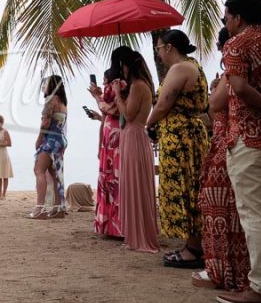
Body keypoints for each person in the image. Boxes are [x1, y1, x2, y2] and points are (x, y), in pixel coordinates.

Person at [217, 0, 261, 303]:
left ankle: (259, 287)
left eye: (225, 18)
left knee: (254, 213)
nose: (225, 24)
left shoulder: (236, 44)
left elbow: (241, 88)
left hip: (248, 136)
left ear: (237, 18)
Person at [146, 30, 209, 268]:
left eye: (159, 49)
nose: (159, 53)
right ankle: (193, 244)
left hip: (180, 136)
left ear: (169, 47)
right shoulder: (193, 66)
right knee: (191, 186)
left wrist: (149, 124)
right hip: (188, 133)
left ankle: (193, 248)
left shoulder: (180, 69)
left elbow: (163, 104)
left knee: (184, 187)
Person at [193, 28, 249, 291]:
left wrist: (215, 90)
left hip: (228, 142)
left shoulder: (233, 73)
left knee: (218, 206)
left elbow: (215, 105)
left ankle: (222, 268)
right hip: (236, 140)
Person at [113, 49, 158, 252]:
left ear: (128, 66)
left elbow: (129, 114)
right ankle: (134, 234)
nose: (121, 70)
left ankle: (138, 236)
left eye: (122, 65)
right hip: (134, 136)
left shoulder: (138, 86)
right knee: (134, 184)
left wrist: (117, 96)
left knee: (135, 185)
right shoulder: (142, 85)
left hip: (134, 135)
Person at [28, 76, 68, 219]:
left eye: (45, 83)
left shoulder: (51, 100)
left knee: (38, 170)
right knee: (54, 173)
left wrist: (38, 139)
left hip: (50, 140)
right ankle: (58, 207)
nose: (42, 86)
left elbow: (45, 123)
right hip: (60, 139)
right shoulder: (62, 102)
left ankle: (40, 208)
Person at [89, 69, 122, 237]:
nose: (103, 85)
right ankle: (109, 224)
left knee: (115, 182)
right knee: (108, 181)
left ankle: (116, 225)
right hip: (109, 141)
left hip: (116, 141)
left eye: (105, 82)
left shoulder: (119, 92)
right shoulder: (110, 96)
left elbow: (112, 110)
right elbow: (106, 114)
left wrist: (96, 97)